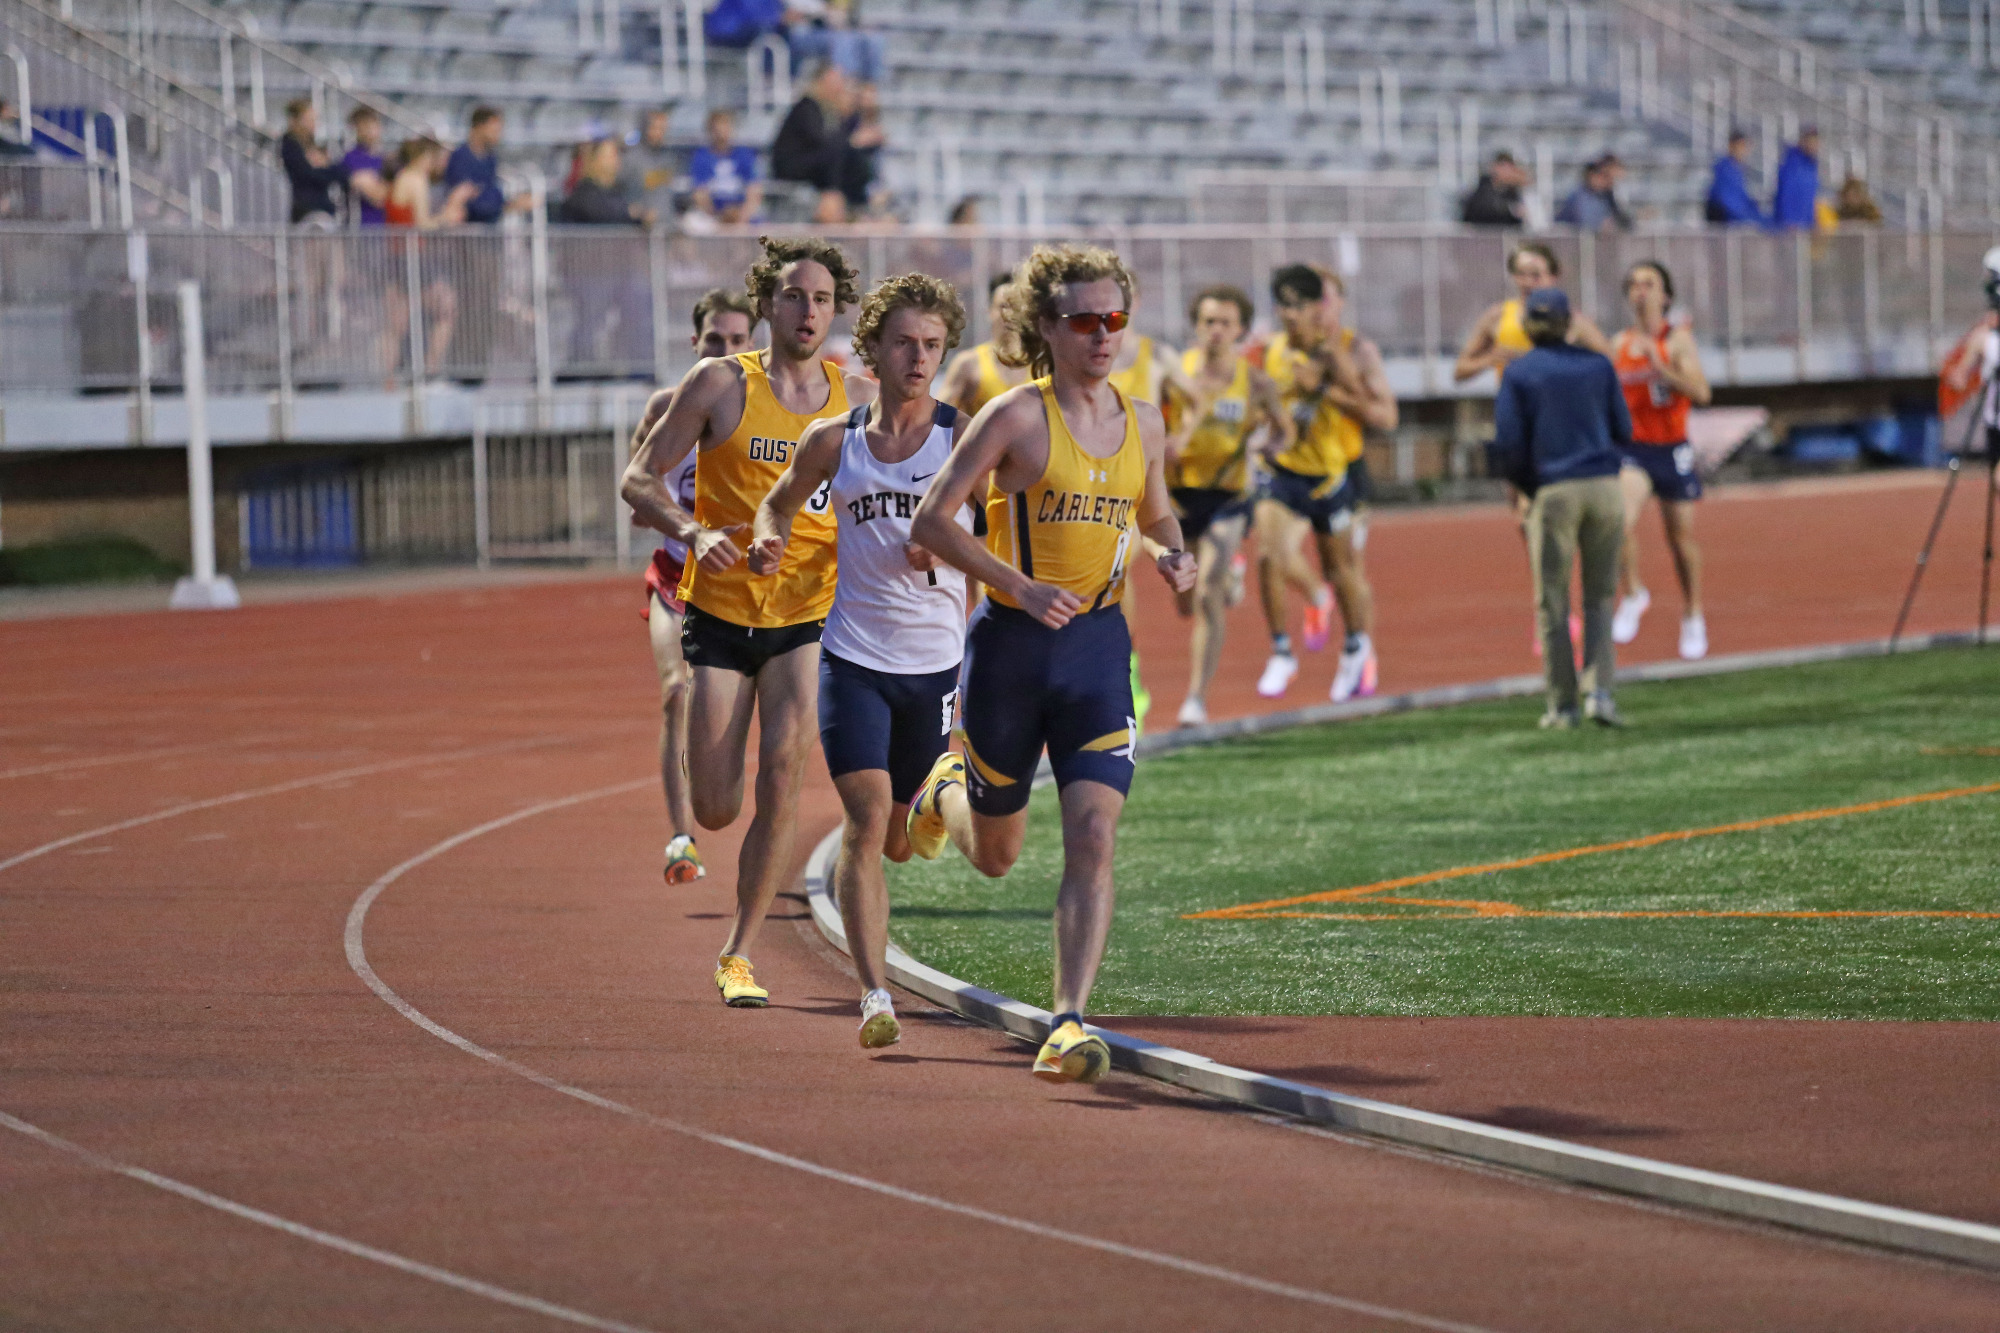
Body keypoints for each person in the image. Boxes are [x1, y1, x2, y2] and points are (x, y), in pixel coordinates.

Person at [905, 243, 1197, 1083]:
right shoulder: (1015, 416)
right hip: (1011, 647)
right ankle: (944, 788)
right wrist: (1016, 585)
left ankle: (1068, 1018)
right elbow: (932, 521)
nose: (1103, 336)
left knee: (1095, 834)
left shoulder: (1146, 421)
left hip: (1099, 649)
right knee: (996, 854)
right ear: (1047, 326)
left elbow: (1160, 513)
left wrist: (1175, 557)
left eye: (1116, 319)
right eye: (1085, 320)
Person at [620, 236, 876, 1008]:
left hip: (807, 611)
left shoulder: (855, 397)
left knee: (787, 766)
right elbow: (638, 478)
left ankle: (739, 950)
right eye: (795, 296)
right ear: (766, 302)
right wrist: (696, 531)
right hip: (721, 611)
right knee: (718, 805)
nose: (809, 312)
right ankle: (710, 822)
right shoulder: (719, 383)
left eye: (824, 299)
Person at [749, 274, 970, 1049]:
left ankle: (933, 800)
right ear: (872, 350)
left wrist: (949, 544)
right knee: (866, 819)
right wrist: (765, 535)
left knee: (901, 837)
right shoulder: (833, 441)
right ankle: (875, 993)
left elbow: (1008, 525)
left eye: (934, 345)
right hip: (851, 655)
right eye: (905, 343)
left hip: (935, 663)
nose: (920, 357)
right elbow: (778, 500)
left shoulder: (962, 437)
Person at [629, 289, 762, 886]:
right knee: (674, 690)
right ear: (695, 342)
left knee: (752, 724)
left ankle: (758, 822)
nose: (726, 350)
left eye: (738, 340)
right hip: (676, 576)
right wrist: (688, 518)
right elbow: (638, 495)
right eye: (715, 339)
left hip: (747, 587)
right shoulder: (667, 406)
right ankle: (681, 837)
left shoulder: (771, 411)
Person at [1252, 264, 1394, 703]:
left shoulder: (1348, 350)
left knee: (1344, 570)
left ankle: (1357, 647)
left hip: (1337, 472)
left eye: (1316, 303)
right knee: (1270, 554)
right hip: (1282, 471)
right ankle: (1282, 649)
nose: (1304, 314)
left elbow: (1380, 416)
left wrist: (1325, 386)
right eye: (1288, 305)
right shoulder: (1270, 350)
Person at [1491, 287, 1631, 728]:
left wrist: (1530, 488)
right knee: (1601, 596)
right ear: (1571, 322)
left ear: (1529, 325)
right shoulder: (1598, 366)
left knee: (1552, 602)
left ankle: (1563, 704)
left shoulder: (1520, 374)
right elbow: (1623, 429)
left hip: (1554, 490)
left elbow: (1508, 445)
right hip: (1606, 487)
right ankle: (1600, 693)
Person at [1171, 285, 1292, 726]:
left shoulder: (1255, 382)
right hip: (1177, 497)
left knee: (1206, 595)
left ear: (1240, 330)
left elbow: (1283, 431)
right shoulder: (1173, 374)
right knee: (1184, 598)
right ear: (1196, 326)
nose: (1215, 331)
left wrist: (1266, 449)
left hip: (1229, 496)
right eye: (1208, 322)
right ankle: (1226, 573)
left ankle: (1196, 698)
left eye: (1225, 323)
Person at [1609, 261, 1712, 661]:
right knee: (1615, 521)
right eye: (1633, 284)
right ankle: (1633, 593)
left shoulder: (1678, 341)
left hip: (1671, 448)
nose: (1640, 291)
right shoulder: (1618, 344)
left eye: (1648, 283)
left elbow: (1701, 393)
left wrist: (1662, 367)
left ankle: (1693, 614)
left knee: (1680, 540)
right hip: (1633, 449)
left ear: (1665, 295)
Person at [444, 107, 530, 378]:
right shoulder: (460, 158)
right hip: (469, 245)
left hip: (489, 243)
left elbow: (489, 198)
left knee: (487, 305)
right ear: (478, 126)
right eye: (493, 127)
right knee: (470, 305)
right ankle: (463, 367)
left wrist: (493, 201)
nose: (498, 134)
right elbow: (475, 204)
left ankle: (478, 366)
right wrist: (496, 202)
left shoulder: (490, 160)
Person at [381, 137, 474, 380]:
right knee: (446, 309)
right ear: (427, 157)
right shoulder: (416, 179)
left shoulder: (402, 177)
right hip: (411, 257)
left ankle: (388, 380)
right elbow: (422, 224)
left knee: (396, 324)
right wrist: (450, 212)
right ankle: (430, 372)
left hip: (398, 256)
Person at [1455, 241, 1610, 385]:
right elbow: (1460, 370)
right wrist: (1490, 359)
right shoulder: (1498, 315)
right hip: (1513, 405)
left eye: (1536, 275)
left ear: (1553, 277)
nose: (1528, 282)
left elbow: (1610, 363)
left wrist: (1569, 361)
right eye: (1521, 274)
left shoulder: (1572, 319)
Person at [770, 60, 879, 223]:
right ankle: (832, 198)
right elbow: (821, 142)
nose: (838, 88)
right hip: (792, 166)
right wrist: (853, 140)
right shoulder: (806, 107)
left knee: (854, 159)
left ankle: (857, 205)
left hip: (815, 164)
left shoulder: (827, 111)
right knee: (839, 152)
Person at [938, 273, 1029, 419]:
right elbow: (937, 420)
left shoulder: (1041, 367)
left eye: (1015, 307)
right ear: (990, 311)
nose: (1009, 315)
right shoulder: (968, 365)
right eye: (1003, 306)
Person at [687, 108, 764, 225]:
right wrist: (717, 216)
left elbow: (754, 191)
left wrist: (741, 217)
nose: (721, 133)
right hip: (713, 215)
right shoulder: (702, 157)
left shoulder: (744, 155)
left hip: (741, 213)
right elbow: (700, 194)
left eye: (725, 127)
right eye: (717, 129)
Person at [280, 98, 349, 226]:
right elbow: (306, 174)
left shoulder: (314, 146)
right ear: (295, 121)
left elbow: (337, 172)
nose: (314, 124)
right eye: (309, 120)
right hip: (306, 211)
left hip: (321, 208)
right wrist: (324, 169)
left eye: (314, 120)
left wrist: (324, 167)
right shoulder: (290, 147)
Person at [621, 109, 680, 222]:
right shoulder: (630, 159)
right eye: (654, 128)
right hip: (637, 229)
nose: (658, 133)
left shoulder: (669, 159)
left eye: (662, 129)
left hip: (667, 225)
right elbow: (618, 193)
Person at [339, 107, 390, 226]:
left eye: (372, 125)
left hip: (385, 228)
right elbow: (378, 197)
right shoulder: (350, 158)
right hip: (362, 228)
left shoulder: (385, 159)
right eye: (364, 126)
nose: (370, 130)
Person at [1555, 155, 1631, 232]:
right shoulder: (1579, 196)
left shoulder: (1605, 196)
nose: (1606, 180)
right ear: (1591, 176)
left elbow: (1626, 223)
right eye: (1602, 176)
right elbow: (1585, 223)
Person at [1704, 130, 1765, 226]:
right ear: (1731, 146)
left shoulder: (1737, 170)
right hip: (1727, 225)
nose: (1744, 151)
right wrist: (1750, 219)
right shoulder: (1725, 171)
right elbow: (1730, 204)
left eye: (1745, 147)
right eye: (1741, 146)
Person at [1461, 151, 1530, 228]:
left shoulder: (1512, 192)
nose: (1507, 172)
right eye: (1504, 167)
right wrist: (1510, 210)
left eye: (1510, 168)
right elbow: (1483, 209)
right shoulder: (1483, 188)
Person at [1772, 126, 1820, 230]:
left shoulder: (1811, 165)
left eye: (1815, 141)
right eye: (1810, 140)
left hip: (1806, 225)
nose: (1813, 145)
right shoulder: (1792, 164)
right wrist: (1788, 221)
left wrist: (1812, 222)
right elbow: (1786, 194)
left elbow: (1809, 199)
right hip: (1791, 227)